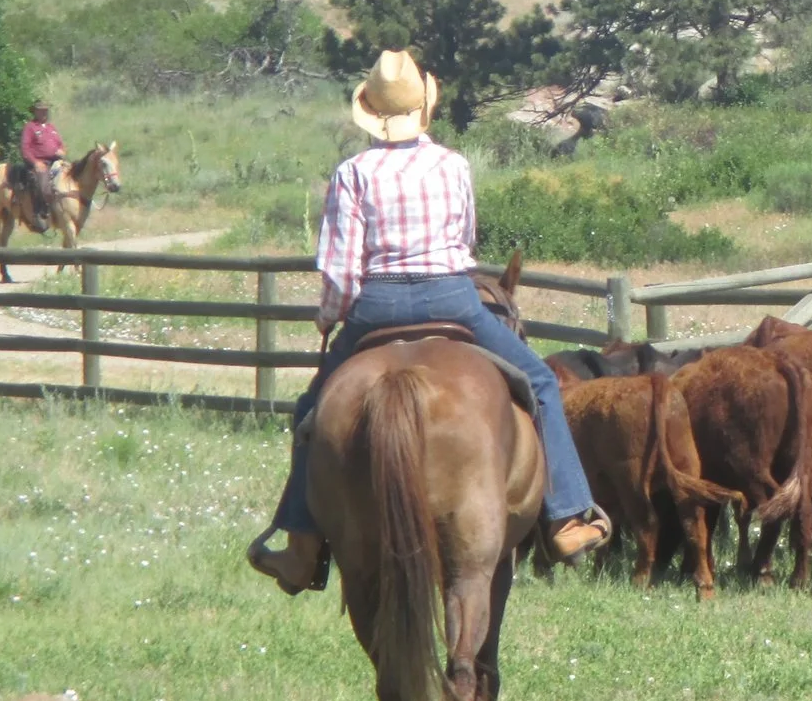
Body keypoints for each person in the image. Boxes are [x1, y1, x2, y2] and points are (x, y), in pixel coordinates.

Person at [246, 49, 611, 594]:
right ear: (424, 108)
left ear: (369, 111)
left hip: (377, 306)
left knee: (312, 411)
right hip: (453, 299)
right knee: (538, 382)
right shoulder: (453, 165)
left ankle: (301, 550)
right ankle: (565, 518)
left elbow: (343, 275)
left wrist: (327, 319)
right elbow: (462, 242)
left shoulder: (352, 173)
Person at [18, 102, 65, 229]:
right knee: (43, 186)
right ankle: (40, 213)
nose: (44, 113)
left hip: (55, 161)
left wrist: (61, 151)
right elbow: (25, 148)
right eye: (41, 111)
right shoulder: (30, 127)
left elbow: (60, 144)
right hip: (40, 163)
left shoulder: (51, 128)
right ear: (35, 112)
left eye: (46, 110)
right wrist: (35, 162)